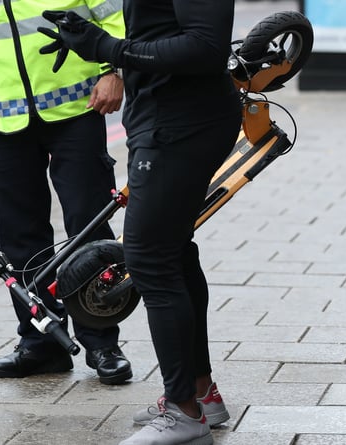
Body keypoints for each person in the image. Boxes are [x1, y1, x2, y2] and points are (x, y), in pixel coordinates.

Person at [38, 1, 241, 443]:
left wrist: (111, 48)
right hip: (165, 118)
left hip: (183, 124)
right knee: (173, 253)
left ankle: (184, 413)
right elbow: (156, 29)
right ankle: (201, 395)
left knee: (150, 260)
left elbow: (205, 47)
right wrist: (93, 42)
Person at [0, 0, 133, 386]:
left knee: (88, 228)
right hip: (3, 117)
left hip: (78, 106)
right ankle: (42, 343)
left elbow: (114, 15)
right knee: (18, 236)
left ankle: (102, 343)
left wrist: (114, 70)